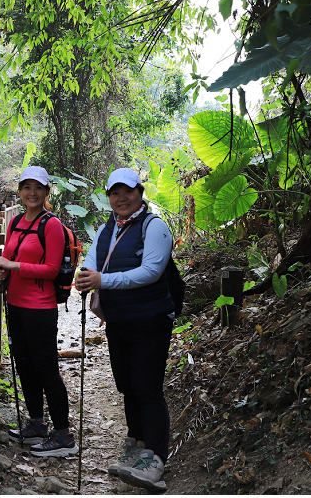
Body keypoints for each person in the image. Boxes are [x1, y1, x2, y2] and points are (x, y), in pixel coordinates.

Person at [74, 168, 175, 489]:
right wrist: (85, 276)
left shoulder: (154, 226)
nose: (122, 198)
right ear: (109, 197)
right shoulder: (108, 228)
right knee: (128, 386)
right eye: (115, 193)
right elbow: (92, 260)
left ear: (140, 193)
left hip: (150, 321)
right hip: (119, 322)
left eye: (128, 191)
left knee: (147, 388)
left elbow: (151, 271)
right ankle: (136, 445)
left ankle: (155, 457)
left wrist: (102, 280)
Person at [0, 166, 77, 457]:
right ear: (19, 191)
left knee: (46, 368)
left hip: (40, 308)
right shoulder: (16, 221)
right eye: (27, 187)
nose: (32, 193)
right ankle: (37, 424)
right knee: (24, 364)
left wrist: (14, 266)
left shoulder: (51, 225)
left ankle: (63, 434)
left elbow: (52, 269)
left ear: (46, 192)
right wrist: (2, 269)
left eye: (38, 188)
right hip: (15, 304)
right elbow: (7, 256)